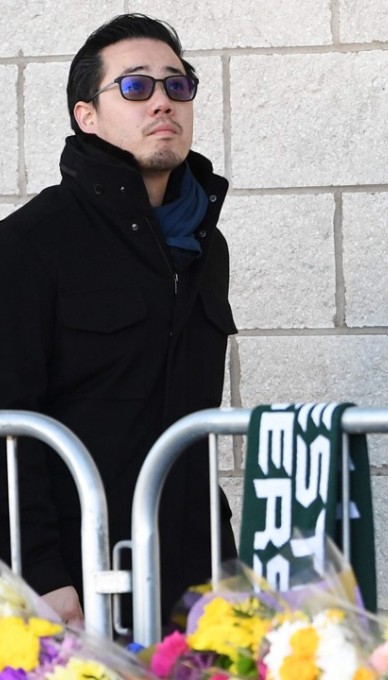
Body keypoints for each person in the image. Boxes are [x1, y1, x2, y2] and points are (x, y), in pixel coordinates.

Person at [0, 14, 237, 627]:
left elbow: (191, 426)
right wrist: (42, 581)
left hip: (193, 587)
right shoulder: (30, 244)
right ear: (87, 115)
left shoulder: (206, 248)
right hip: (76, 590)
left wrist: (227, 566)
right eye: (135, 87)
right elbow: (6, 429)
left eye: (177, 85)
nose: (162, 100)